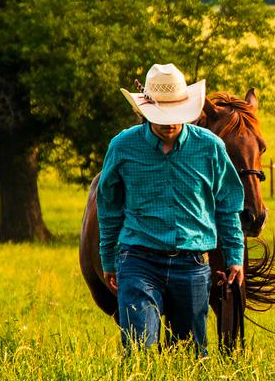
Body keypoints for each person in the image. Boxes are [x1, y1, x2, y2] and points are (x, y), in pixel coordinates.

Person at [97, 63, 244, 356]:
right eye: (161, 117)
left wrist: (234, 256)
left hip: (192, 264)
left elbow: (228, 205)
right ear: (145, 112)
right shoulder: (123, 147)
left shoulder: (210, 148)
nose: (169, 123)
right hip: (138, 259)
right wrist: (108, 259)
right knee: (139, 349)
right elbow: (109, 206)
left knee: (189, 355)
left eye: (176, 116)